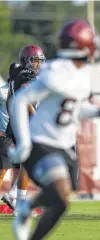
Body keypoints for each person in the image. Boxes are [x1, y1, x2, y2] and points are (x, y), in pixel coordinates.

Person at [7, 20, 100, 240]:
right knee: (60, 195)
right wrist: (23, 144)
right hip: (40, 141)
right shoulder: (55, 71)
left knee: (62, 201)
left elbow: (72, 109)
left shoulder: (80, 73)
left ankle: (26, 210)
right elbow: (20, 100)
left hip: (64, 144)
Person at [1, 45, 45, 215]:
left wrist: (12, 117)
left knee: (25, 164)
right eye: (35, 61)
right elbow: (26, 96)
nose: (38, 65)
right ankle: (17, 199)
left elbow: (10, 100)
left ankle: (14, 196)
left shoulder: (14, 76)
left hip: (16, 124)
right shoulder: (27, 75)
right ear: (27, 60)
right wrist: (36, 116)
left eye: (40, 61)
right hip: (26, 124)